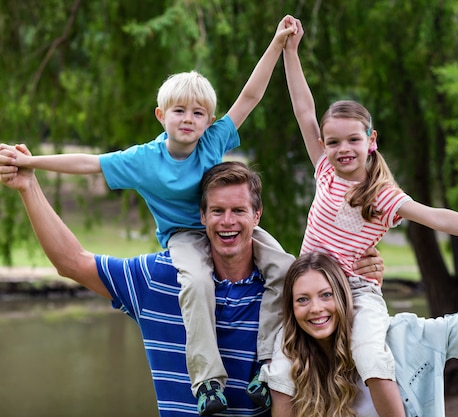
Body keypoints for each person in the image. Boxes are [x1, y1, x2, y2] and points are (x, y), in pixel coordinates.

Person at [0, 15, 298, 416]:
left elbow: (249, 96)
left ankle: (266, 367)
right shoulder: (144, 160)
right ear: (161, 116)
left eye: (197, 113)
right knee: (196, 283)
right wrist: (30, 162)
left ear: (209, 120)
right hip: (186, 237)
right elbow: (88, 163)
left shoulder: (212, 142)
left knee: (287, 267)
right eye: (179, 111)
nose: (188, 119)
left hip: (223, 231)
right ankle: (209, 381)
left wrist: (278, 44)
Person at [0, 151, 384, 417]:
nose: (227, 222)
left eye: (238, 211)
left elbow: (340, 346)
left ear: (257, 214)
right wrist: (29, 187)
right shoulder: (160, 278)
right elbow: (72, 262)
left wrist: (368, 280)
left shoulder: (289, 292)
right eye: (217, 211)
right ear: (202, 216)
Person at [280, 18, 458, 417]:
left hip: (357, 291)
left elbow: (438, 218)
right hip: (310, 280)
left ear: (371, 141)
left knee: (371, 358)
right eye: (333, 142)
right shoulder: (324, 170)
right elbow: (303, 109)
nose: (342, 149)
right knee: (279, 356)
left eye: (353, 140)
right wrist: (290, 53)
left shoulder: (382, 196)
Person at [267, 232, 458, 417]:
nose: (316, 308)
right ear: (291, 308)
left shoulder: (399, 338)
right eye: (302, 299)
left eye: (326, 295)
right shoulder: (292, 361)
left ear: (344, 296)